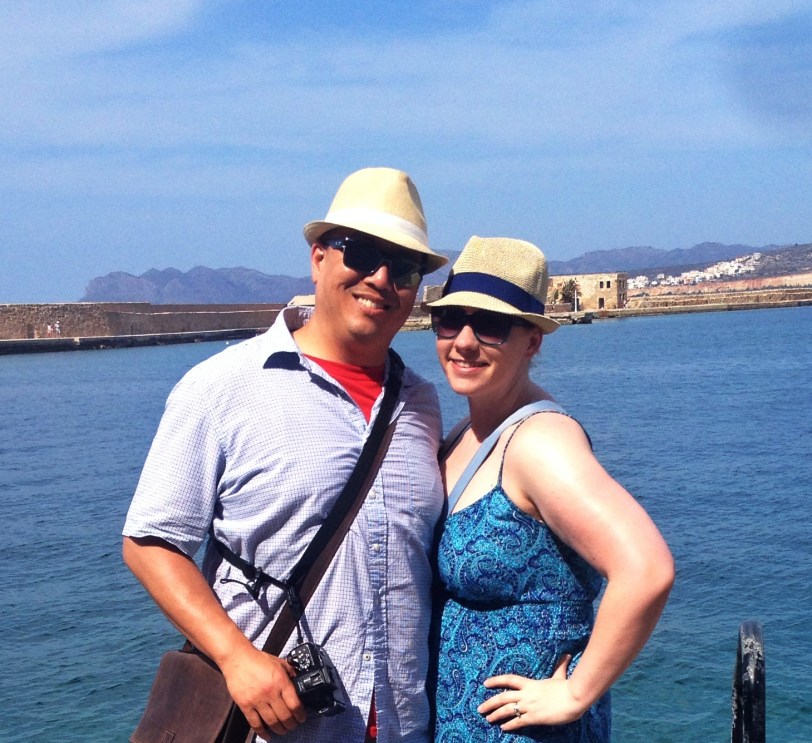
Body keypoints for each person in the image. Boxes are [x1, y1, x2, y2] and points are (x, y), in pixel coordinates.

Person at [123, 167, 448, 742]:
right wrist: (236, 658)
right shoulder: (222, 387)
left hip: (402, 727)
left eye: (403, 268)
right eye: (363, 253)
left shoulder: (421, 403)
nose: (380, 278)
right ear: (320, 257)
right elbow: (151, 542)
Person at [426, 236, 674, 742]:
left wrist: (575, 694)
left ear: (532, 341)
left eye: (491, 325)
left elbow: (646, 569)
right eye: (451, 321)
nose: (464, 341)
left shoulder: (540, 444)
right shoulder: (466, 432)